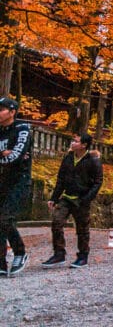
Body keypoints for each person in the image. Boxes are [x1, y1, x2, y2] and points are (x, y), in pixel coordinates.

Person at [43, 133, 103, 269]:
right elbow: (61, 179)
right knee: (56, 222)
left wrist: (87, 198)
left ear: (84, 145)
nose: (72, 143)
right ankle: (59, 253)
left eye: (75, 141)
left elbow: (98, 182)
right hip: (67, 197)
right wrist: (54, 198)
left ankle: (82, 256)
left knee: (82, 229)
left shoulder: (93, 160)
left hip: (82, 199)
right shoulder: (68, 158)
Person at [0, 97, 33, 276]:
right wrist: (2, 153)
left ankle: (20, 253)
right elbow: (8, 156)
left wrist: (8, 155)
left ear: (12, 112)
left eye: (1, 109)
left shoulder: (22, 128)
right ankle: (1, 263)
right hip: (2, 180)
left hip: (19, 180)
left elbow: (17, 156)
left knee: (5, 219)